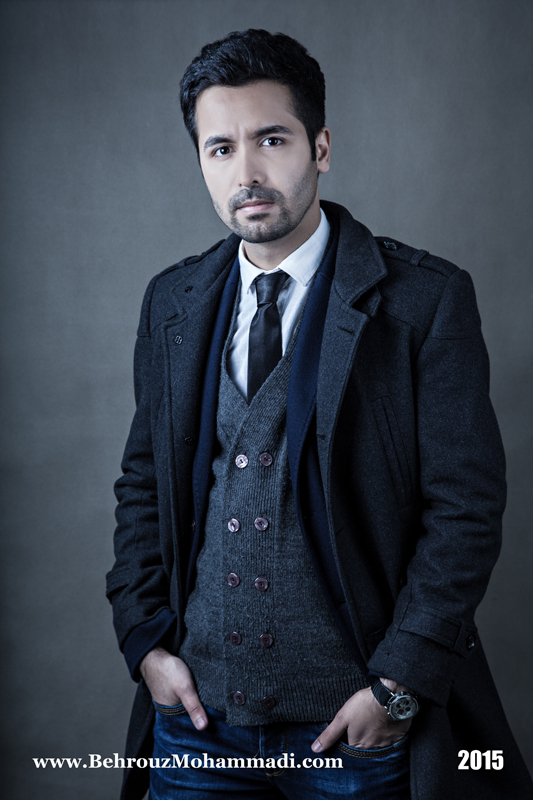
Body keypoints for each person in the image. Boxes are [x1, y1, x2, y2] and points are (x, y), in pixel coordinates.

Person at [106, 28, 532, 800]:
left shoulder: (423, 302)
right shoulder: (171, 302)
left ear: (320, 147)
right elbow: (143, 484)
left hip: (357, 730)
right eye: (220, 148)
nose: (247, 172)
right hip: (196, 727)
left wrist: (397, 688)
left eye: (271, 139)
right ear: (200, 160)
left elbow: (465, 510)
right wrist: (145, 644)